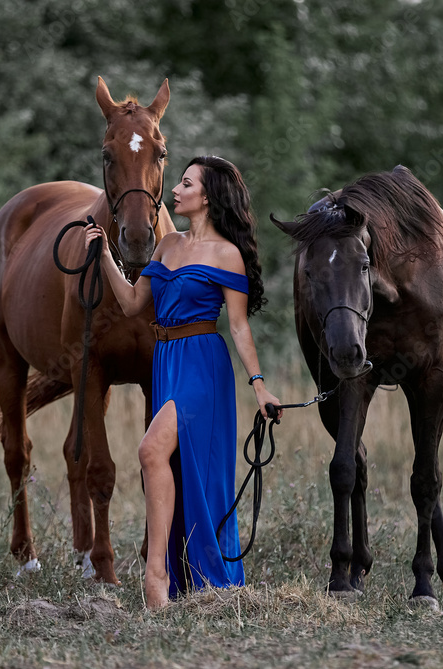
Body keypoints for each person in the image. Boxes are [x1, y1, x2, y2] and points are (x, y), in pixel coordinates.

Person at [84, 155, 282, 610]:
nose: (175, 188)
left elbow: (237, 327)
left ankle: (156, 579)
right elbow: (134, 304)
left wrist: (259, 386)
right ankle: (174, 575)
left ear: (208, 196)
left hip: (202, 364)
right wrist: (105, 258)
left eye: (186, 182)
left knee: (150, 450)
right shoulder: (166, 243)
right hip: (166, 359)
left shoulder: (227, 254)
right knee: (166, 464)